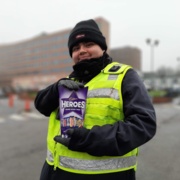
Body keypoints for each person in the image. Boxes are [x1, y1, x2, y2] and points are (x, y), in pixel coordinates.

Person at [34, 19, 156, 180]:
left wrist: (86, 139)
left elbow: (143, 124)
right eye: (76, 48)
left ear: (103, 48)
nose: (82, 51)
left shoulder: (124, 76)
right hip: (55, 171)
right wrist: (55, 89)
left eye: (89, 44)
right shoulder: (70, 81)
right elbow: (41, 105)